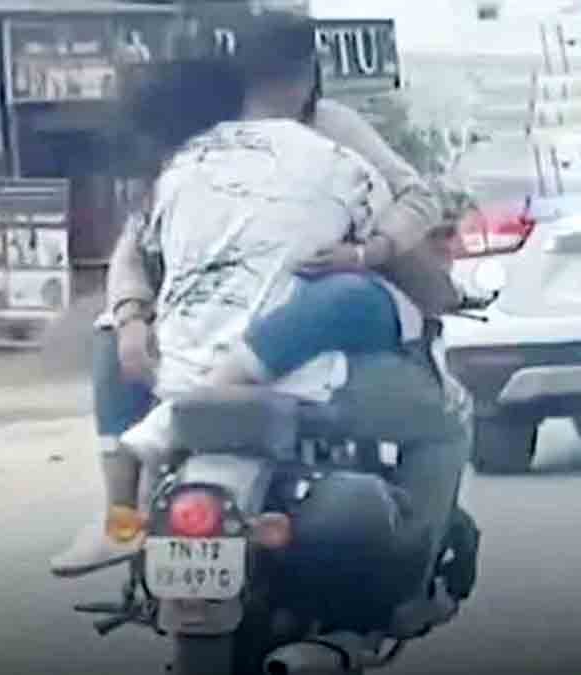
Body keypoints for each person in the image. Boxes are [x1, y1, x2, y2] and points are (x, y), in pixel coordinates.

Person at [52, 11, 471, 636]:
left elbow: (133, 247)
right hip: (286, 350)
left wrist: (134, 316)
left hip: (197, 353)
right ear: (308, 74)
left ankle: (126, 505)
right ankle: (396, 596)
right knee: (414, 382)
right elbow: (414, 211)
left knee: (120, 335)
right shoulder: (319, 149)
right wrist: (374, 255)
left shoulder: (212, 146)